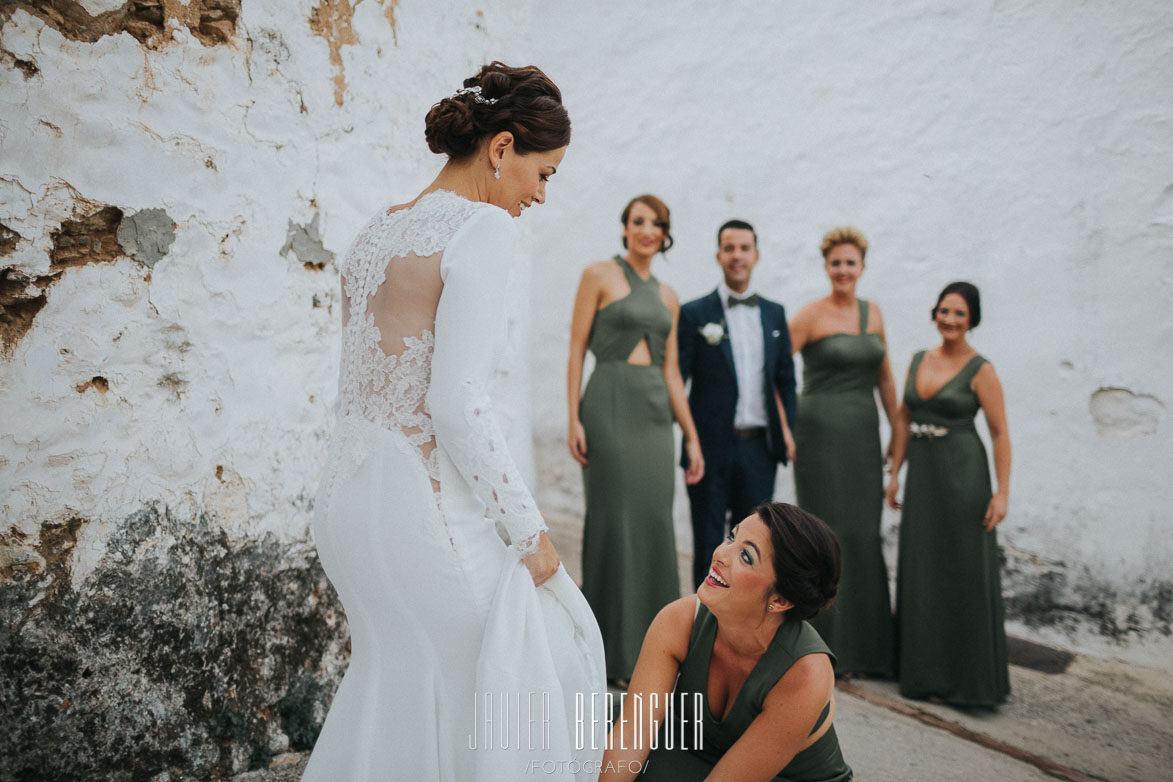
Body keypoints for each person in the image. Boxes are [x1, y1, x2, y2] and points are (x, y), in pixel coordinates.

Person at [305, 63, 605, 781]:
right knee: (509, 670)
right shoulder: (482, 228)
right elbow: (456, 402)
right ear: (501, 148)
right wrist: (529, 533)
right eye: (544, 173)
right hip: (421, 508)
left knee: (398, 680)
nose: (538, 194)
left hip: (346, 503)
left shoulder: (380, 229)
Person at [600, 503, 852, 781]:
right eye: (732, 537)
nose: (720, 554)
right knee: (589, 726)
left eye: (745, 556)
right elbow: (633, 735)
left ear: (780, 600)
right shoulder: (678, 620)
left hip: (783, 777)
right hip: (693, 754)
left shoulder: (806, 674)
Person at [567, 194, 705, 686]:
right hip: (607, 400)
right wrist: (573, 418)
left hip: (653, 412)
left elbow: (671, 371)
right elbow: (577, 347)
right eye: (639, 221)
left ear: (665, 234)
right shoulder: (598, 275)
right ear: (625, 228)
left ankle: (656, 654)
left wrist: (691, 436)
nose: (648, 229)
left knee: (652, 522)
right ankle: (607, 650)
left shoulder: (669, 295)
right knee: (614, 519)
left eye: (657, 223)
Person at [885, 281, 1011, 706]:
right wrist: (895, 473)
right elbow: (903, 418)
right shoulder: (919, 359)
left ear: (971, 319)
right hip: (923, 475)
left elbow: (999, 433)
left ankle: (970, 684)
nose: (950, 319)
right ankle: (923, 676)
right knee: (923, 570)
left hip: (964, 477)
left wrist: (1002, 493)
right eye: (944, 310)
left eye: (959, 313)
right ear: (934, 313)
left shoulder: (982, 369)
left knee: (963, 572)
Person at [788, 227, 898, 677]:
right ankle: (823, 648)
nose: (843, 270)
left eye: (851, 263)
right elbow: (775, 370)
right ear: (826, 267)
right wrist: (783, 427)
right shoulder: (810, 316)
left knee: (863, 532)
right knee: (827, 533)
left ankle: (869, 651)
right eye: (836, 263)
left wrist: (898, 434)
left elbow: (886, 379)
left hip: (864, 437)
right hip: (819, 438)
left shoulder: (874, 315)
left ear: (862, 267)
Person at [678, 220, 798, 591]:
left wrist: (788, 434)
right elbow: (677, 380)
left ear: (756, 255)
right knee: (709, 543)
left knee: (756, 548)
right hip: (710, 449)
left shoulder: (775, 314)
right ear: (719, 255)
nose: (737, 256)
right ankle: (700, 629)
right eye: (729, 248)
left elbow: (786, 380)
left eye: (744, 248)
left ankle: (744, 628)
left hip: (758, 448)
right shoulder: (695, 314)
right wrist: (689, 440)